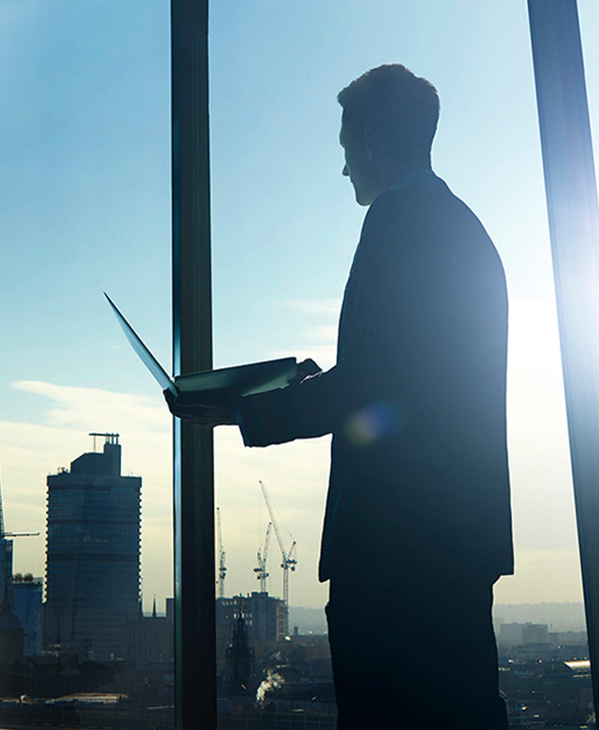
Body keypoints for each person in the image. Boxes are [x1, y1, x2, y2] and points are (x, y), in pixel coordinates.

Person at [168, 64, 512, 729]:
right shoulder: (456, 228)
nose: (346, 168)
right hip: (444, 547)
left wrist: (242, 409)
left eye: (347, 149)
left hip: (397, 555)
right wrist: (325, 382)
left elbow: (372, 388)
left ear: (376, 144)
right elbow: (403, 382)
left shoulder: (400, 224)